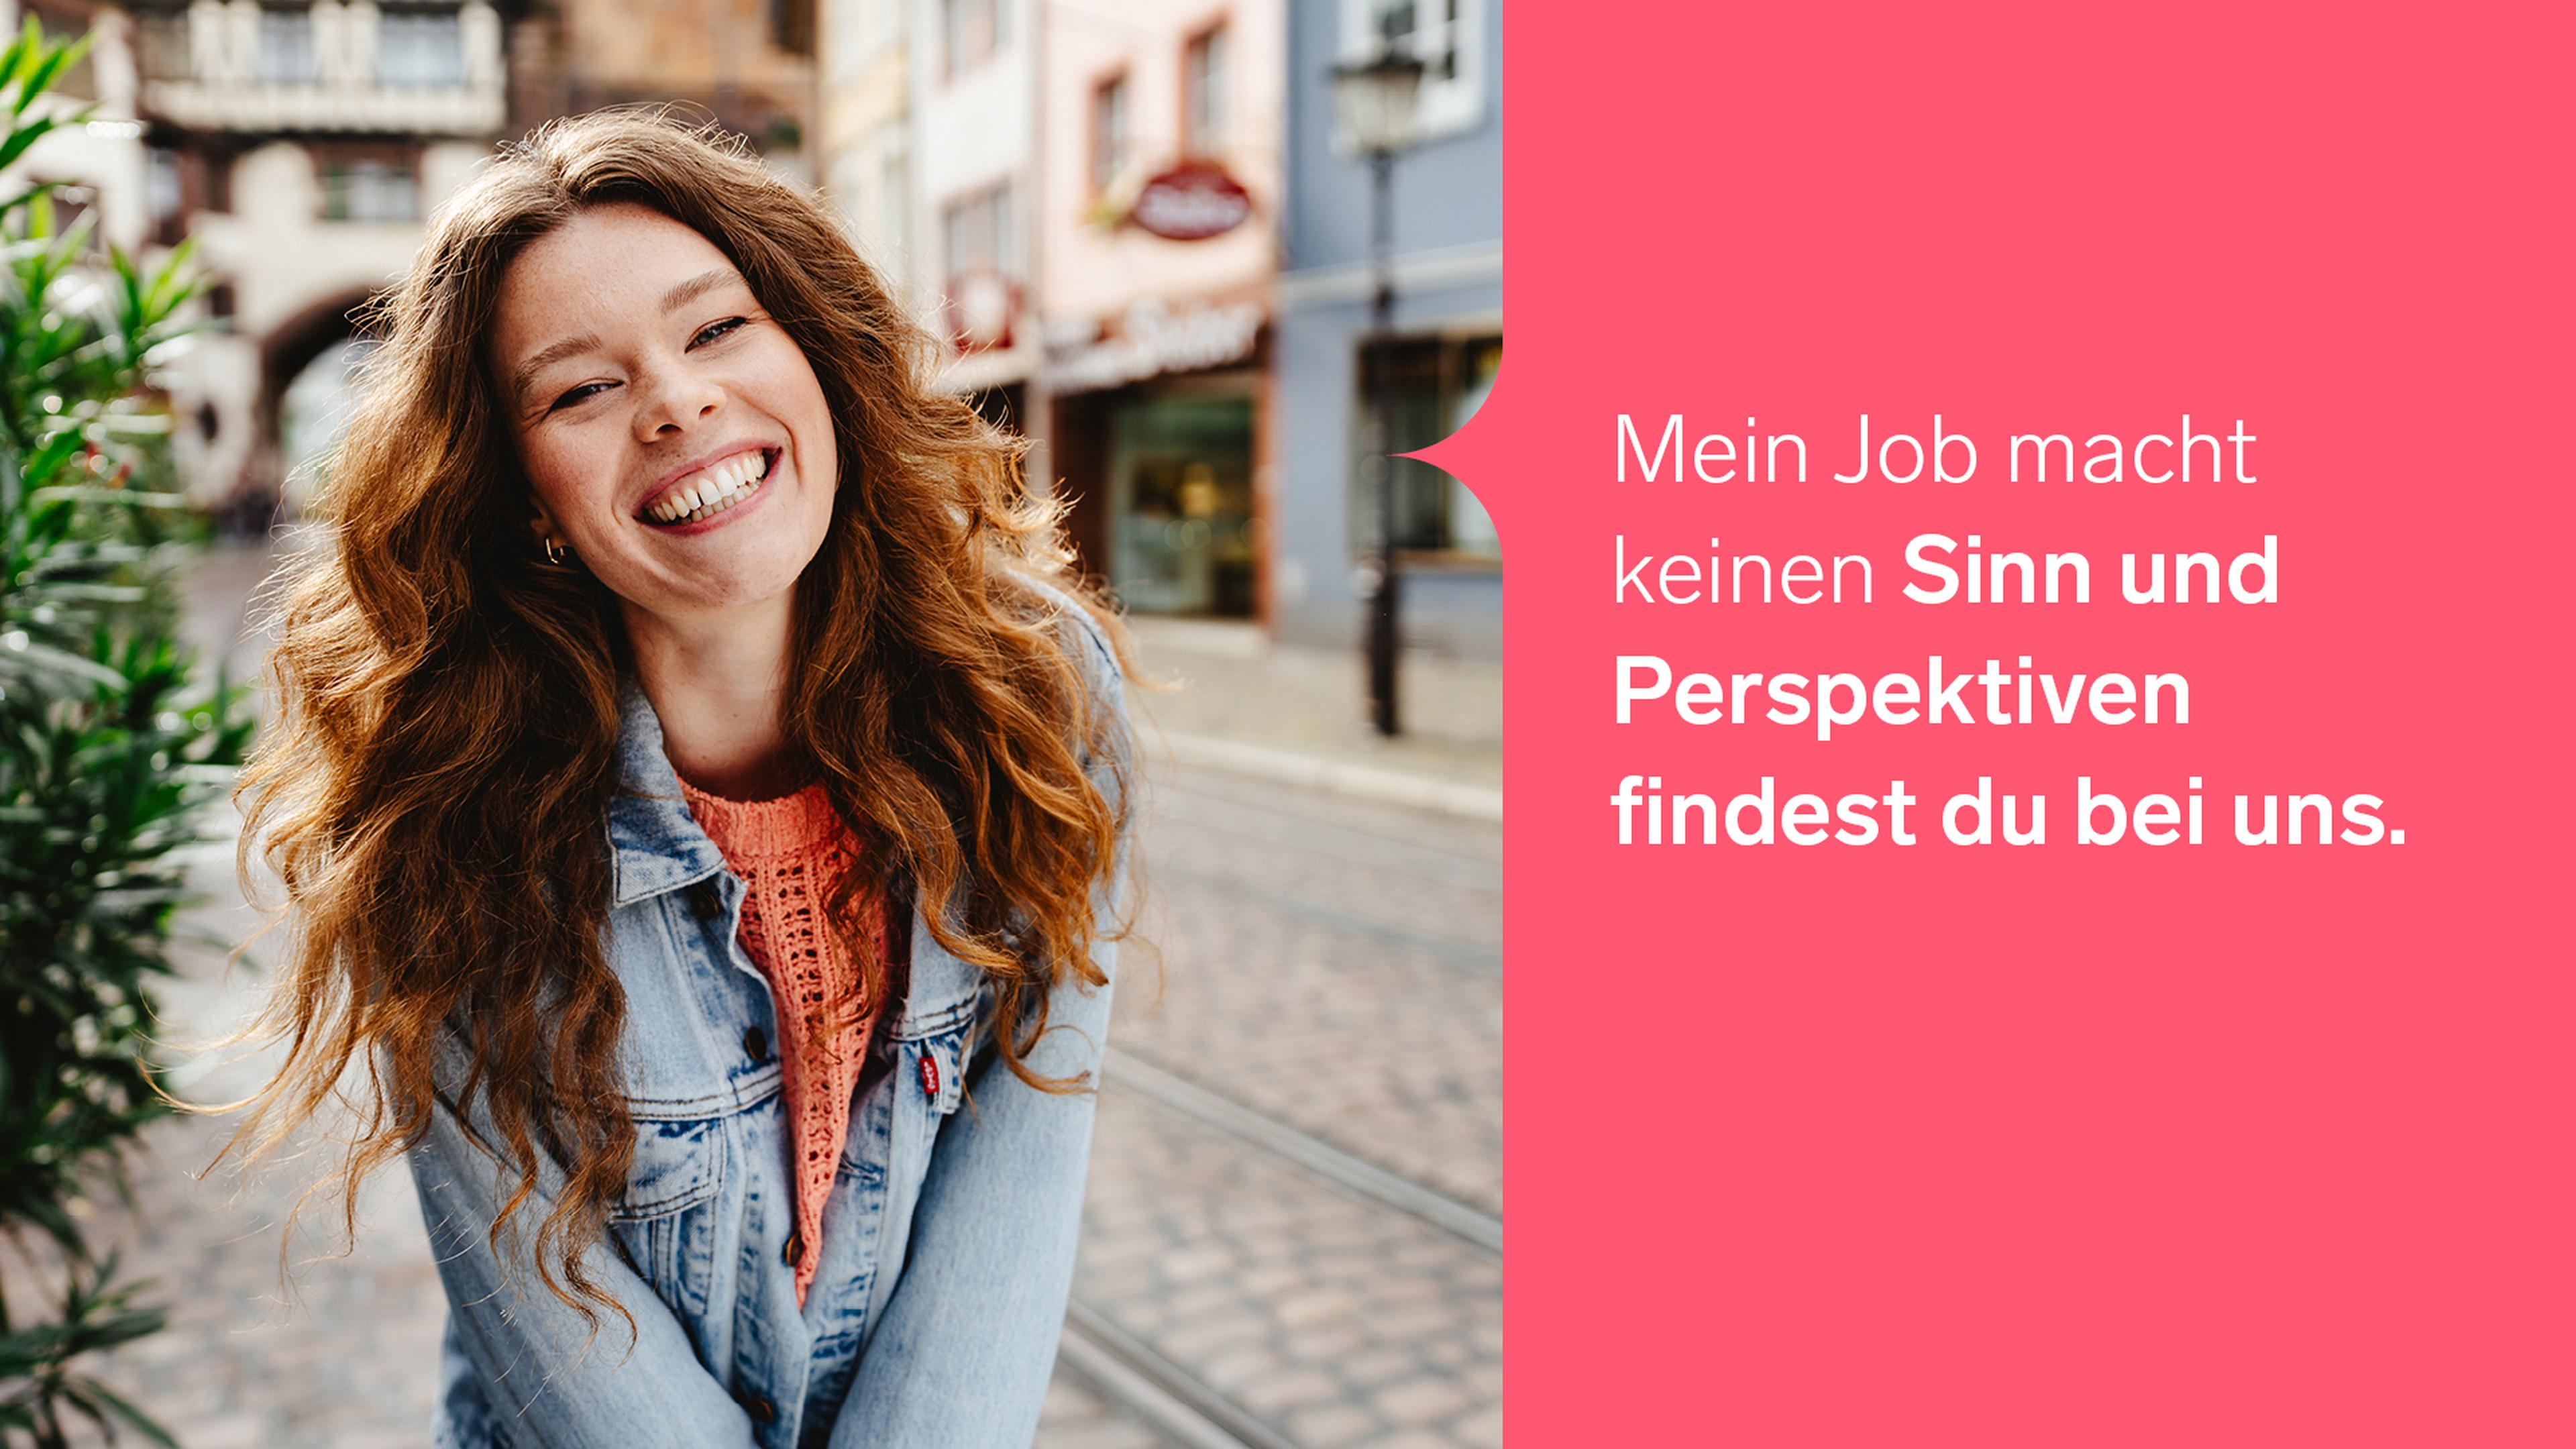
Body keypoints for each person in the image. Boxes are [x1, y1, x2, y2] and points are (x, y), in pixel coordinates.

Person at [208, 111, 1137, 1448]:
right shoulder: (448, 813)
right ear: (523, 488)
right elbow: (558, 1319)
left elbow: (1019, 1184)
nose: (676, 401)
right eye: (579, 390)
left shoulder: (1044, 695)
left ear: (813, 352)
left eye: (716, 331)